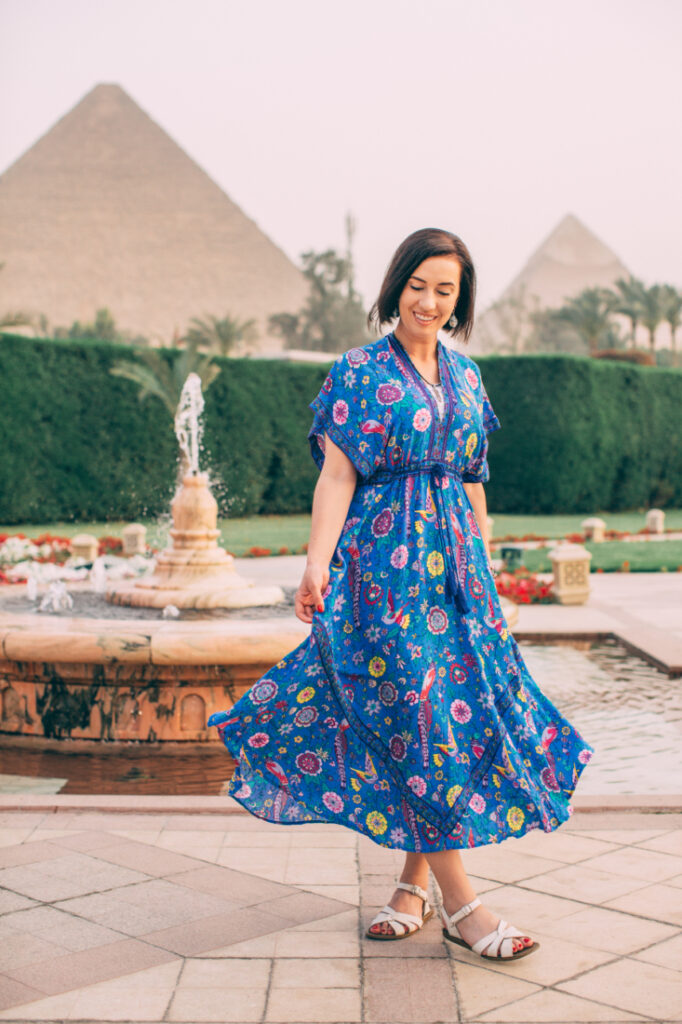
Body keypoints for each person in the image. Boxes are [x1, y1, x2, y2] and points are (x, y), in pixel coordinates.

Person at [209, 227, 593, 961]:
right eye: (418, 284)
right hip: (383, 574)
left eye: (444, 289)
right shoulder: (359, 371)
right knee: (414, 714)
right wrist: (316, 563)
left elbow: (474, 478)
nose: (428, 299)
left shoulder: (468, 377)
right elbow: (338, 476)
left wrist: (486, 573)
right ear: (396, 287)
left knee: (449, 719)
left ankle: (411, 889)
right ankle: (465, 907)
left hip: (457, 577)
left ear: (459, 300)